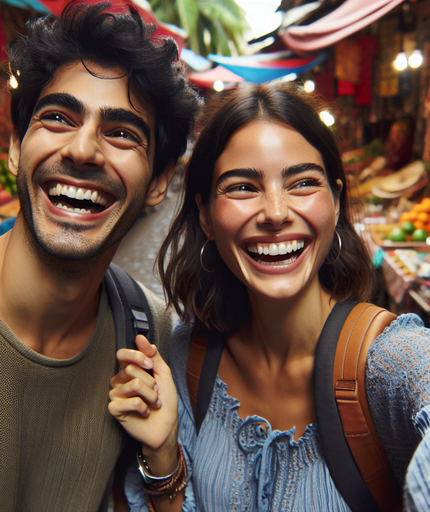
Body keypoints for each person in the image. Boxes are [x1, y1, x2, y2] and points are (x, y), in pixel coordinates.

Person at [0, 2, 200, 511]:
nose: (83, 150)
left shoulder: (148, 333)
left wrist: (163, 464)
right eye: (57, 118)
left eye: (121, 133)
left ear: (159, 181)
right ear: (14, 147)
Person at [109, 82, 430, 511]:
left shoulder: (391, 364)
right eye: (242, 187)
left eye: (302, 183)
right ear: (204, 216)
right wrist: (164, 453)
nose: (276, 213)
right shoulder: (189, 357)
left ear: (335, 202)